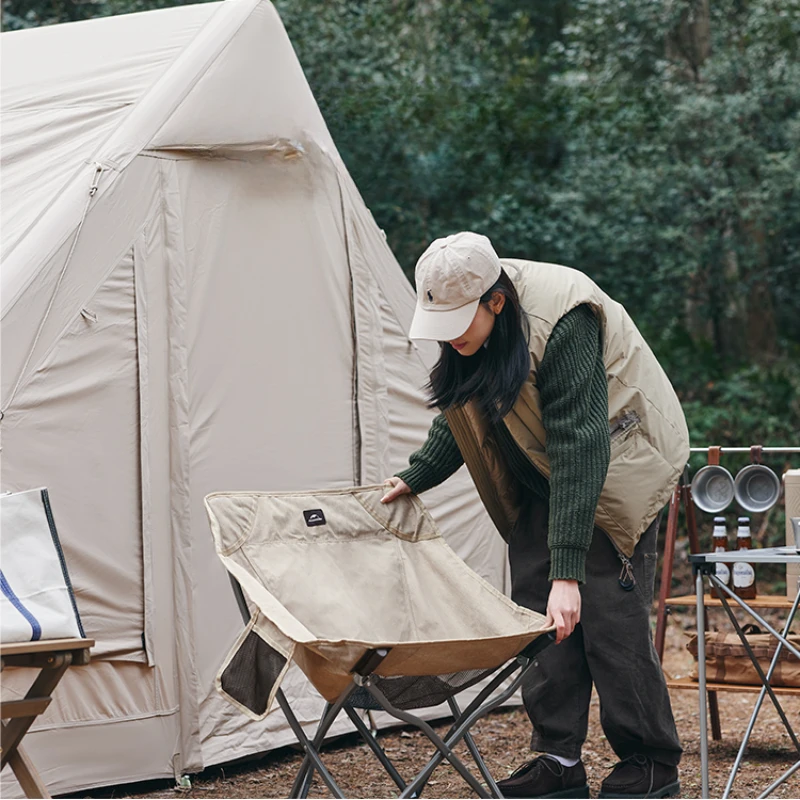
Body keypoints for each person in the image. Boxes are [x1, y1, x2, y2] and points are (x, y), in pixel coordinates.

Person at [381, 231, 688, 799]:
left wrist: (567, 572)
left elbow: (581, 442)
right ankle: (557, 759)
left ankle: (650, 765)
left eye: (456, 327)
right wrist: (416, 474)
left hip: (618, 458)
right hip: (545, 470)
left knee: (608, 620)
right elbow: (461, 409)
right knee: (540, 620)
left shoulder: (564, 317)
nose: (448, 341)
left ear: (495, 302)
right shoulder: (471, 325)